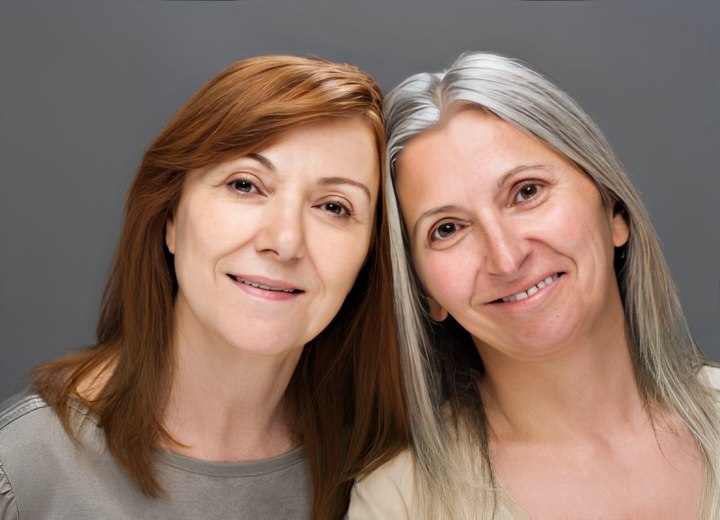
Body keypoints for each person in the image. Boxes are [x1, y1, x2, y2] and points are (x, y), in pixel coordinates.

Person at [0, 55, 406, 520]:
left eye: (334, 207)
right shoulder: (23, 470)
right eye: (245, 185)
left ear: (369, 257)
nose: (285, 241)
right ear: (170, 217)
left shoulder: (382, 477)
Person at [349, 52, 720, 519]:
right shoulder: (396, 501)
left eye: (527, 192)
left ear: (614, 213)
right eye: (447, 229)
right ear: (425, 293)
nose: (506, 258)